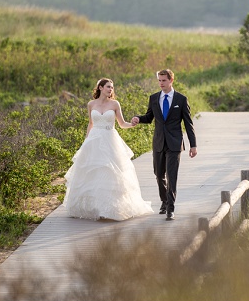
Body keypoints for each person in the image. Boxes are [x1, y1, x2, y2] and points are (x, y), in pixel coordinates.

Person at [63, 78, 154, 221]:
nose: (110, 90)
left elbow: (122, 124)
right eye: (107, 87)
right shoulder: (91, 104)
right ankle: (94, 207)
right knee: (92, 172)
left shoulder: (115, 104)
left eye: (111, 87)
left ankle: (110, 208)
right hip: (94, 140)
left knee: (111, 172)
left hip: (110, 140)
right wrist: (86, 141)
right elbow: (91, 123)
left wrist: (133, 124)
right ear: (100, 88)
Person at [131, 69, 197, 221]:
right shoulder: (154, 98)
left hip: (174, 144)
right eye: (159, 80)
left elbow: (188, 124)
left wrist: (193, 145)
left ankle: (170, 208)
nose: (161, 83)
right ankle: (164, 200)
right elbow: (149, 117)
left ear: (171, 80)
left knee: (171, 176)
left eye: (164, 80)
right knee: (159, 174)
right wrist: (138, 119)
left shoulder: (181, 99)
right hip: (159, 142)